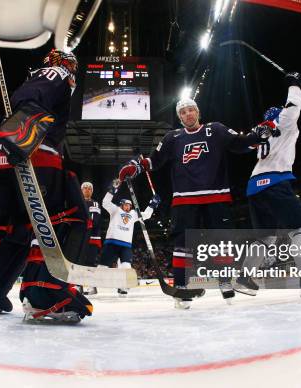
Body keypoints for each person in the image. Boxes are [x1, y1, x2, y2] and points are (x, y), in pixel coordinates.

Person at [0, 49, 93, 323]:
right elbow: (28, 99)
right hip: (32, 148)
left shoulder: (39, 76)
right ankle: (46, 296)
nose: (73, 72)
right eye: (72, 65)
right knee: (70, 215)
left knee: (16, 227)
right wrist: (23, 135)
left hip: (5, 149)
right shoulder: (57, 73)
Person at [118, 98, 275, 309]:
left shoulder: (216, 130)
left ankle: (225, 281)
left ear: (198, 112)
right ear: (179, 117)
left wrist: (258, 136)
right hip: (185, 198)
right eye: (183, 112)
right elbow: (155, 160)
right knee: (183, 245)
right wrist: (136, 166)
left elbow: (240, 143)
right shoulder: (172, 137)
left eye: (191, 110)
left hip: (216, 195)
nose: (188, 114)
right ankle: (181, 287)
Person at [235, 72, 301, 297]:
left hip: (254, 186)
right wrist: (293, 81)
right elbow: (295, 102)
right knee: (299, 229)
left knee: (265, 237)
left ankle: (244, 278)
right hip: (275, 181)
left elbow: (243, 146)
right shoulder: (284, 122)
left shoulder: (259, 133)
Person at [100, 179, 160, 296]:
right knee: (104, 265)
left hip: (126, 245)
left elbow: (146, 215)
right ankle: (93, 284)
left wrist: (153, 204)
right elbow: (105, 203)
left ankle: (123, 287)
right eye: (126, 205)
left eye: (129, 205)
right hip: (112, 242)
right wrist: (112, 190)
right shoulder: (115, 210)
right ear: (121, 205)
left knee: (125, 266)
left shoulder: (133, 214)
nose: (128, 207)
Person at [76, 181, 101, 295]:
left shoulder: (95, 203)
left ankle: (92, 286)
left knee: (90, 262)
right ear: (81, 190)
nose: (87, 189)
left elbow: (94, 221)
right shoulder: (77, 203)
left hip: (92, 237)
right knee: (78, 262)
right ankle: (78, 285)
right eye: (85, 188)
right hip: (80, 236)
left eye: (90, 188)